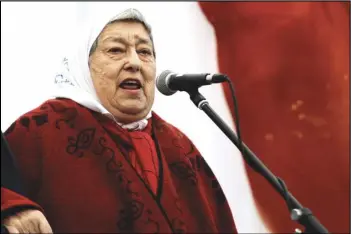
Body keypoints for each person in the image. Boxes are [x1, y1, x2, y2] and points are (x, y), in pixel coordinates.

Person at [1, 8, 237, 233]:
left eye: (144, 52)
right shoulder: (40, 131)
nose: (134, 62)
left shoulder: (180, 146)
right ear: (83, 65)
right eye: (116, 50)